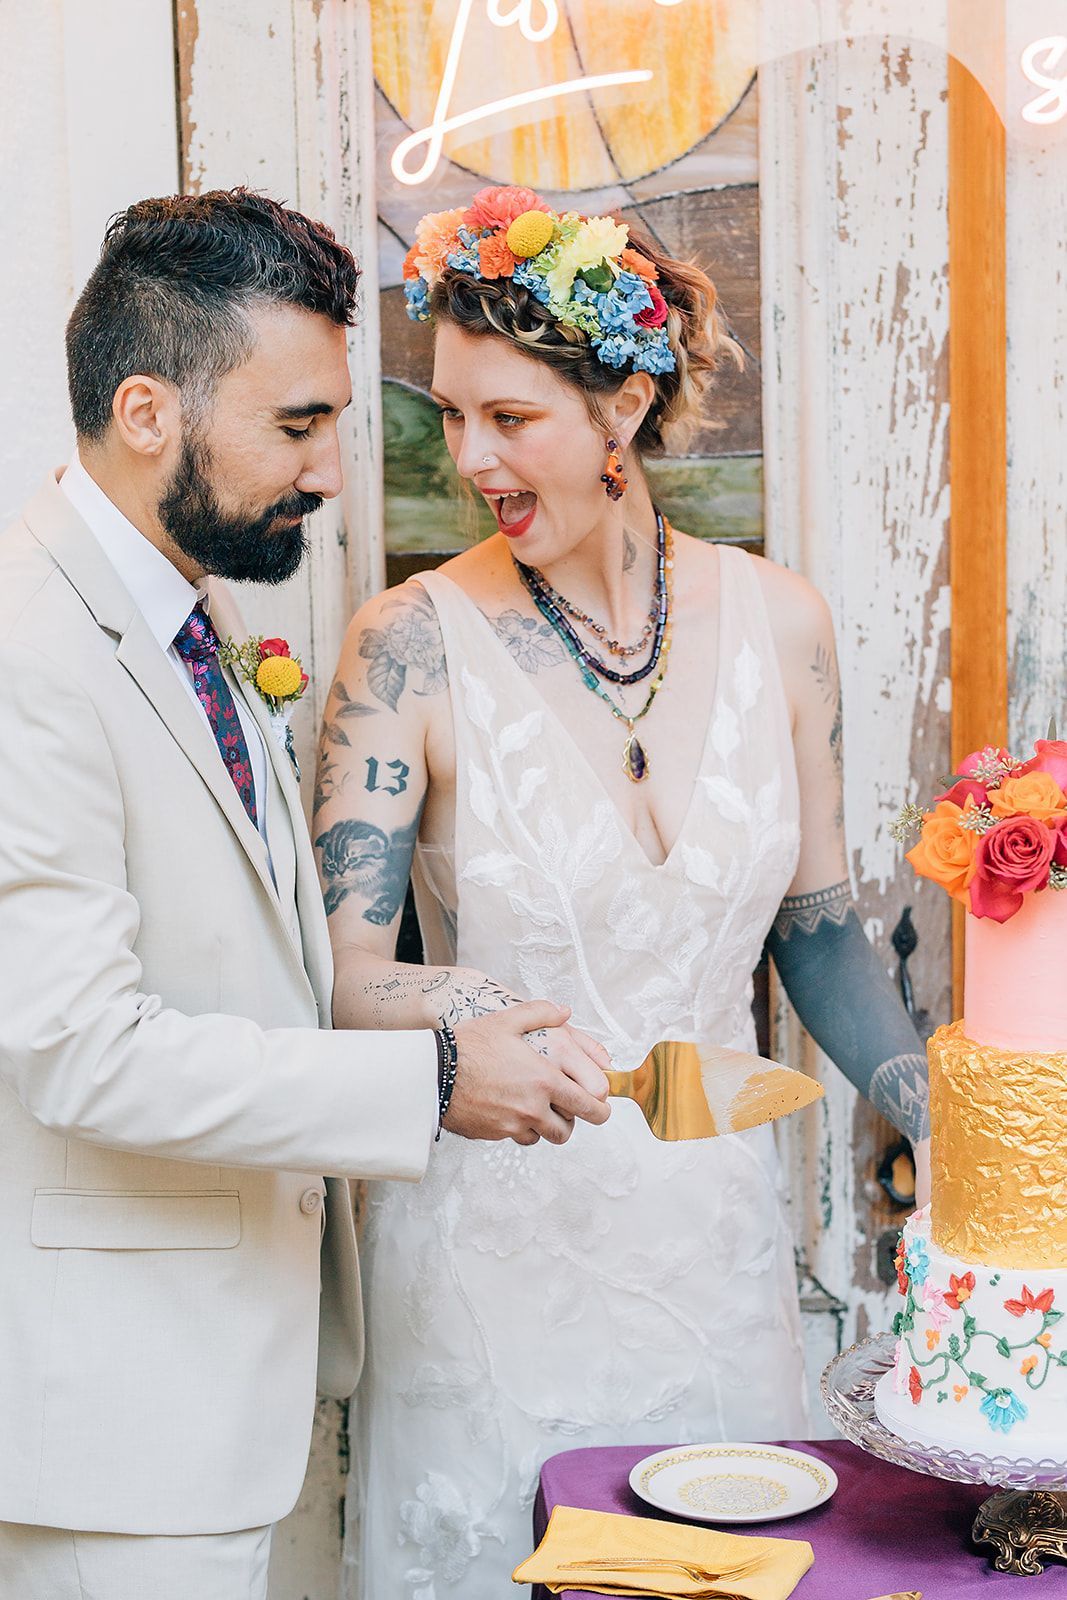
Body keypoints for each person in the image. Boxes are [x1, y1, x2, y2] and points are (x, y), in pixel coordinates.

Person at [318, 187, 932, 1597]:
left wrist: (949, 1131)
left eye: (508, 418)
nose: (469, 456)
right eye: (449, 417)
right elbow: (343, 970)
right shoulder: (403, 646)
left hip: (712, 1254)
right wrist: (477, 1007)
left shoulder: (786, 624)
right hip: (488, 1265)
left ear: (627, 407)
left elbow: (824, 939)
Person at [0, 188, 611, 1600]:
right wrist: (430, 1082)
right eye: (297, 426)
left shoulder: (179, 614)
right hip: (113, 1438)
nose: (335, 472)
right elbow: (82, 1051)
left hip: (214, 1399)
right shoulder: (33, 653)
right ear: (147, 411)